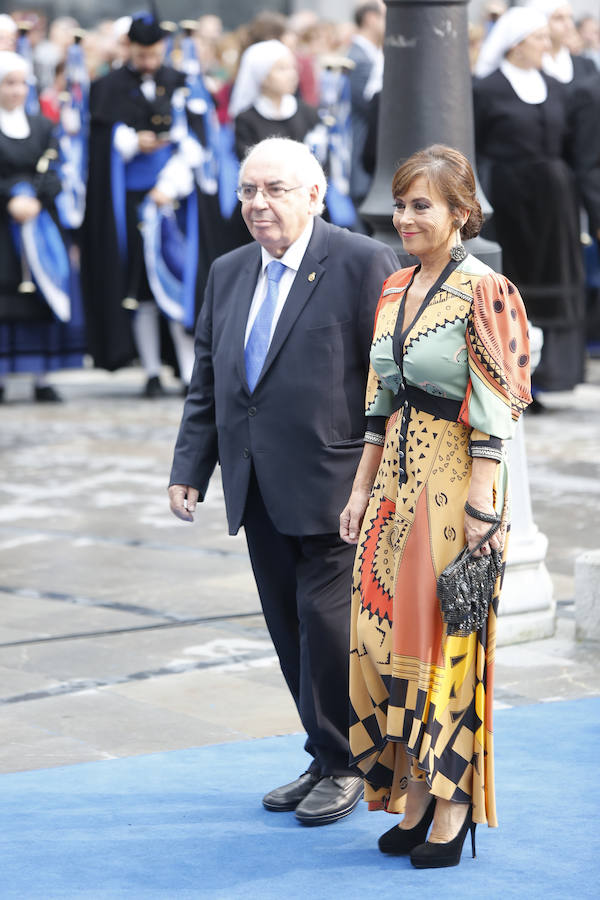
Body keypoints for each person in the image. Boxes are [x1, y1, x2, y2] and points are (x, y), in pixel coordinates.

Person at [168, 137, 397, 826]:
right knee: (287, 628)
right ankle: (326, 752)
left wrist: (375, 480)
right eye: (247, 191)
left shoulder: (360, 261)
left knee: (327, 628)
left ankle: (351, 761)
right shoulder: (229, 270)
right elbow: (210, 380)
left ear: (315, 196)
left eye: (274, 190)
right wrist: (190, 468)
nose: (258, 205)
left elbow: (386, 384)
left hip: (335, 488)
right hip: (256, 485)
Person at [340, 144, 532, 868]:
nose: (406, 217)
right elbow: (377, 402)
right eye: (400, 204)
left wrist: (483, 506)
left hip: (458, 484)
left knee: (443, 643)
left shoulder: (487, 289)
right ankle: (411, 794)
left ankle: (449, 807)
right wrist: (360, 490)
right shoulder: (394, 288)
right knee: (386, 638)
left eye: (422, 205)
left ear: (460, 214)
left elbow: (496, 411)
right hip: (394, 476)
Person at [473, 6, 592, 395]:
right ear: (517, 45)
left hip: (555, 203)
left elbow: (575, 148)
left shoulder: (557, 88)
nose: (547, 44)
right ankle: (514, 377)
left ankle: (552, 374)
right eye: (539, 38)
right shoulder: (486, 89)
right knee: (515, 281)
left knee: (557, 277)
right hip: (509, 200)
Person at [82, 12, 203, 396]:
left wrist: (170, 183)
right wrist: (132, 142)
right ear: (129, 48)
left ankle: (186, 370)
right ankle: (150, 369)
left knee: (178, 279)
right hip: (132, 201)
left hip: (173, 199)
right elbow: (100, 146)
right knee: (141, 287)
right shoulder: (107, 86)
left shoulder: (180, 82)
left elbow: (196, 143)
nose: (149, 63)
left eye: (154, 55)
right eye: (141, 54)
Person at [0, 50, 85, 403]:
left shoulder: (42, 126)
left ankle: (42, 377)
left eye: (22, 83)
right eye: (9, 83)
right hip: (4, 227)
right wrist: (9, 198)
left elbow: (56, 172)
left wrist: (36, 198)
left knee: (41, 295)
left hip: (39, 221)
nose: (17, 90)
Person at [229, 39, 323, 162]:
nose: (292, 75)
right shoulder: (247, 119)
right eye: (282, 69)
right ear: (262, 76)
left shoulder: (307, 112)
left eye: (293, 68)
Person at [347, 1, 386, 210]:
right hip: (363, 149)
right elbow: (367, 107)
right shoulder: (358, 58)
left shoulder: (367, 54)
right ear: (371, 19)